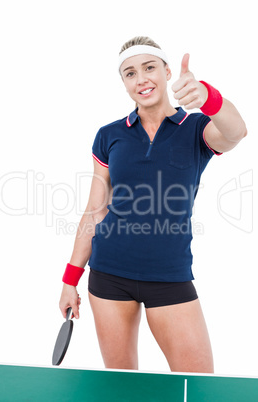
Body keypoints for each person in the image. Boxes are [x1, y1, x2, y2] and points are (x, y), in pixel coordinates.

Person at [59, 36, 247, 373]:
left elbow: (236, 133)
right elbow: (94, 211)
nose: (141, 78)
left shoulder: (197, 128)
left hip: (169, 276)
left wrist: (208, 98)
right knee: (123, 388)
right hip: (108, 275)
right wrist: (70, 279)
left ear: (166, 71)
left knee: (199, 386)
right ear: (124, 83)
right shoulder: (109, 135)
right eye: (130, 73)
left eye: (149, 67)